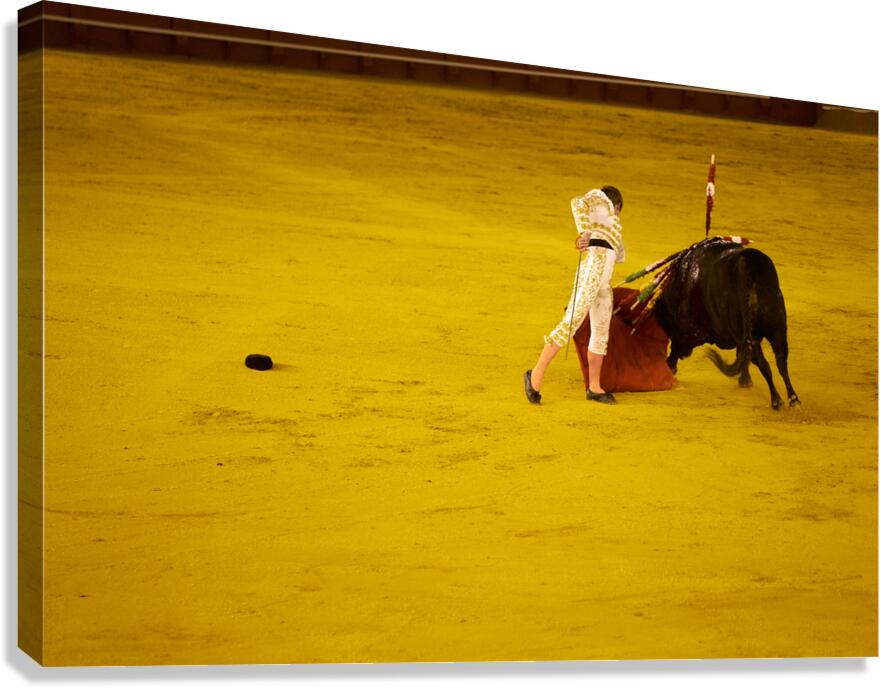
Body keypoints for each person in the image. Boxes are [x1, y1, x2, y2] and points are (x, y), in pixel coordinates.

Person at [524, 185, 625, 405]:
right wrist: (585, 233)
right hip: (593, 272)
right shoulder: (601, 199)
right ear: (616, 205)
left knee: (600, 332)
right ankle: (535, 376)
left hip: (603, 281)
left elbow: (619, 255)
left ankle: (594, 387)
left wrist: (590, 237)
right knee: (571, 322)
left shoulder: (612, 223)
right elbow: (577, 202)